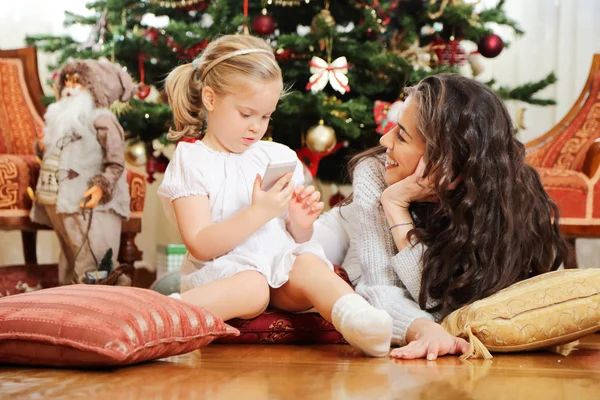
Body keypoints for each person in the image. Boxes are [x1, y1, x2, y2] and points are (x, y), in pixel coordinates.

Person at [158, 34, 393, 357]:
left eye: (266, 116)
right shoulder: (192, 160)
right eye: (246, 114)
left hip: (280, 271)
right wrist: (258, 212)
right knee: (253, 287)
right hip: (227, 276)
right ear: (210, 99)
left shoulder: (276, 156)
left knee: (308, 263)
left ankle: (359, 319)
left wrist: (300, 223)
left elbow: (292, 239)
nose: (256, 127)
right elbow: (200, 243)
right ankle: (167, 313)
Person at [313, 73, 569, 360]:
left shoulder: (512, 203)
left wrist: (397, 209)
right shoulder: (374, 172)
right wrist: (394, 203)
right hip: (343, 239)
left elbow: (445, 307)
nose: (384, 139)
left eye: (401, 136)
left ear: (447, 159)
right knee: (284, 260)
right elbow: (381, 287)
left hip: (363, 259)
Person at [31, 59, 134, 285]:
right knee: (71, 257)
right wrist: (42, 146)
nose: (69, 87)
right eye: (67, 81)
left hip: (89, 204)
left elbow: (116, 162)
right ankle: (70, 304)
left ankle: (103, 304)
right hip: (62, 203)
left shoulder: (102, 119)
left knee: (95, 260)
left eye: (78, 82)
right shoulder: (63, 121)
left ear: (95, 87)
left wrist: (102, 185)